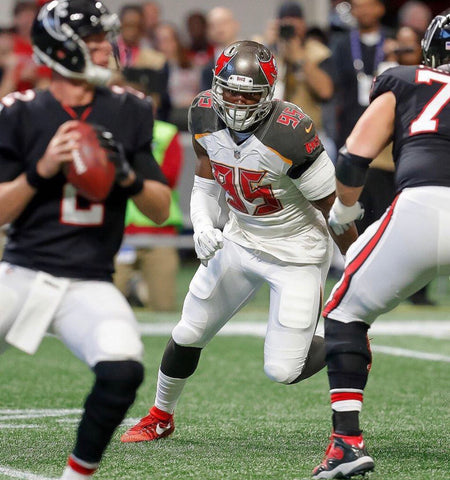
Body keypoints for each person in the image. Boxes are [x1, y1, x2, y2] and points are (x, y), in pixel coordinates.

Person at [120, 40, 357, 443]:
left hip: (295, 251)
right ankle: (160, 415)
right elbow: (205, 180)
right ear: (216, 85)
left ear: (268, 94)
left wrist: (360, 270)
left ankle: (347, 340)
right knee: (188, 331)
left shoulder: (290, 133)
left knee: (283, 370)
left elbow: (333, 213)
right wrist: (202, 225)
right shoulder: (203, 112)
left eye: (248, 94)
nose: (235, 102)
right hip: (240, 237)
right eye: (229, 90)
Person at [0, 1, 170, 479]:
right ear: (60, 50)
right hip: (22, 269)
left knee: (122, 371)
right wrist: (41, 170)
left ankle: (77, 476)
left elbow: (158, 210)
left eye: (105, 41)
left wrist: (127, 179)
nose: (106, 50)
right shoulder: (19, 112)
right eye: (93, 43)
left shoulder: (130, 108)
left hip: (89, 280)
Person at [312, 12, 450, 479]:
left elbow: (354, 158)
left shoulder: (407, 79)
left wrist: (343, 212)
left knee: (344, 312)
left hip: (424, 205)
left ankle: (346, 444)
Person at [115, 118, 184, 311]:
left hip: (159, 230)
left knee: (163, 307)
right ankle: (137, 291)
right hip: (120, 231)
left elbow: (168, 177)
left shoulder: (166, 133)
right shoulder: (111, 126)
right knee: (108, 304)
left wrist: (127, 173)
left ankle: (139, 291)